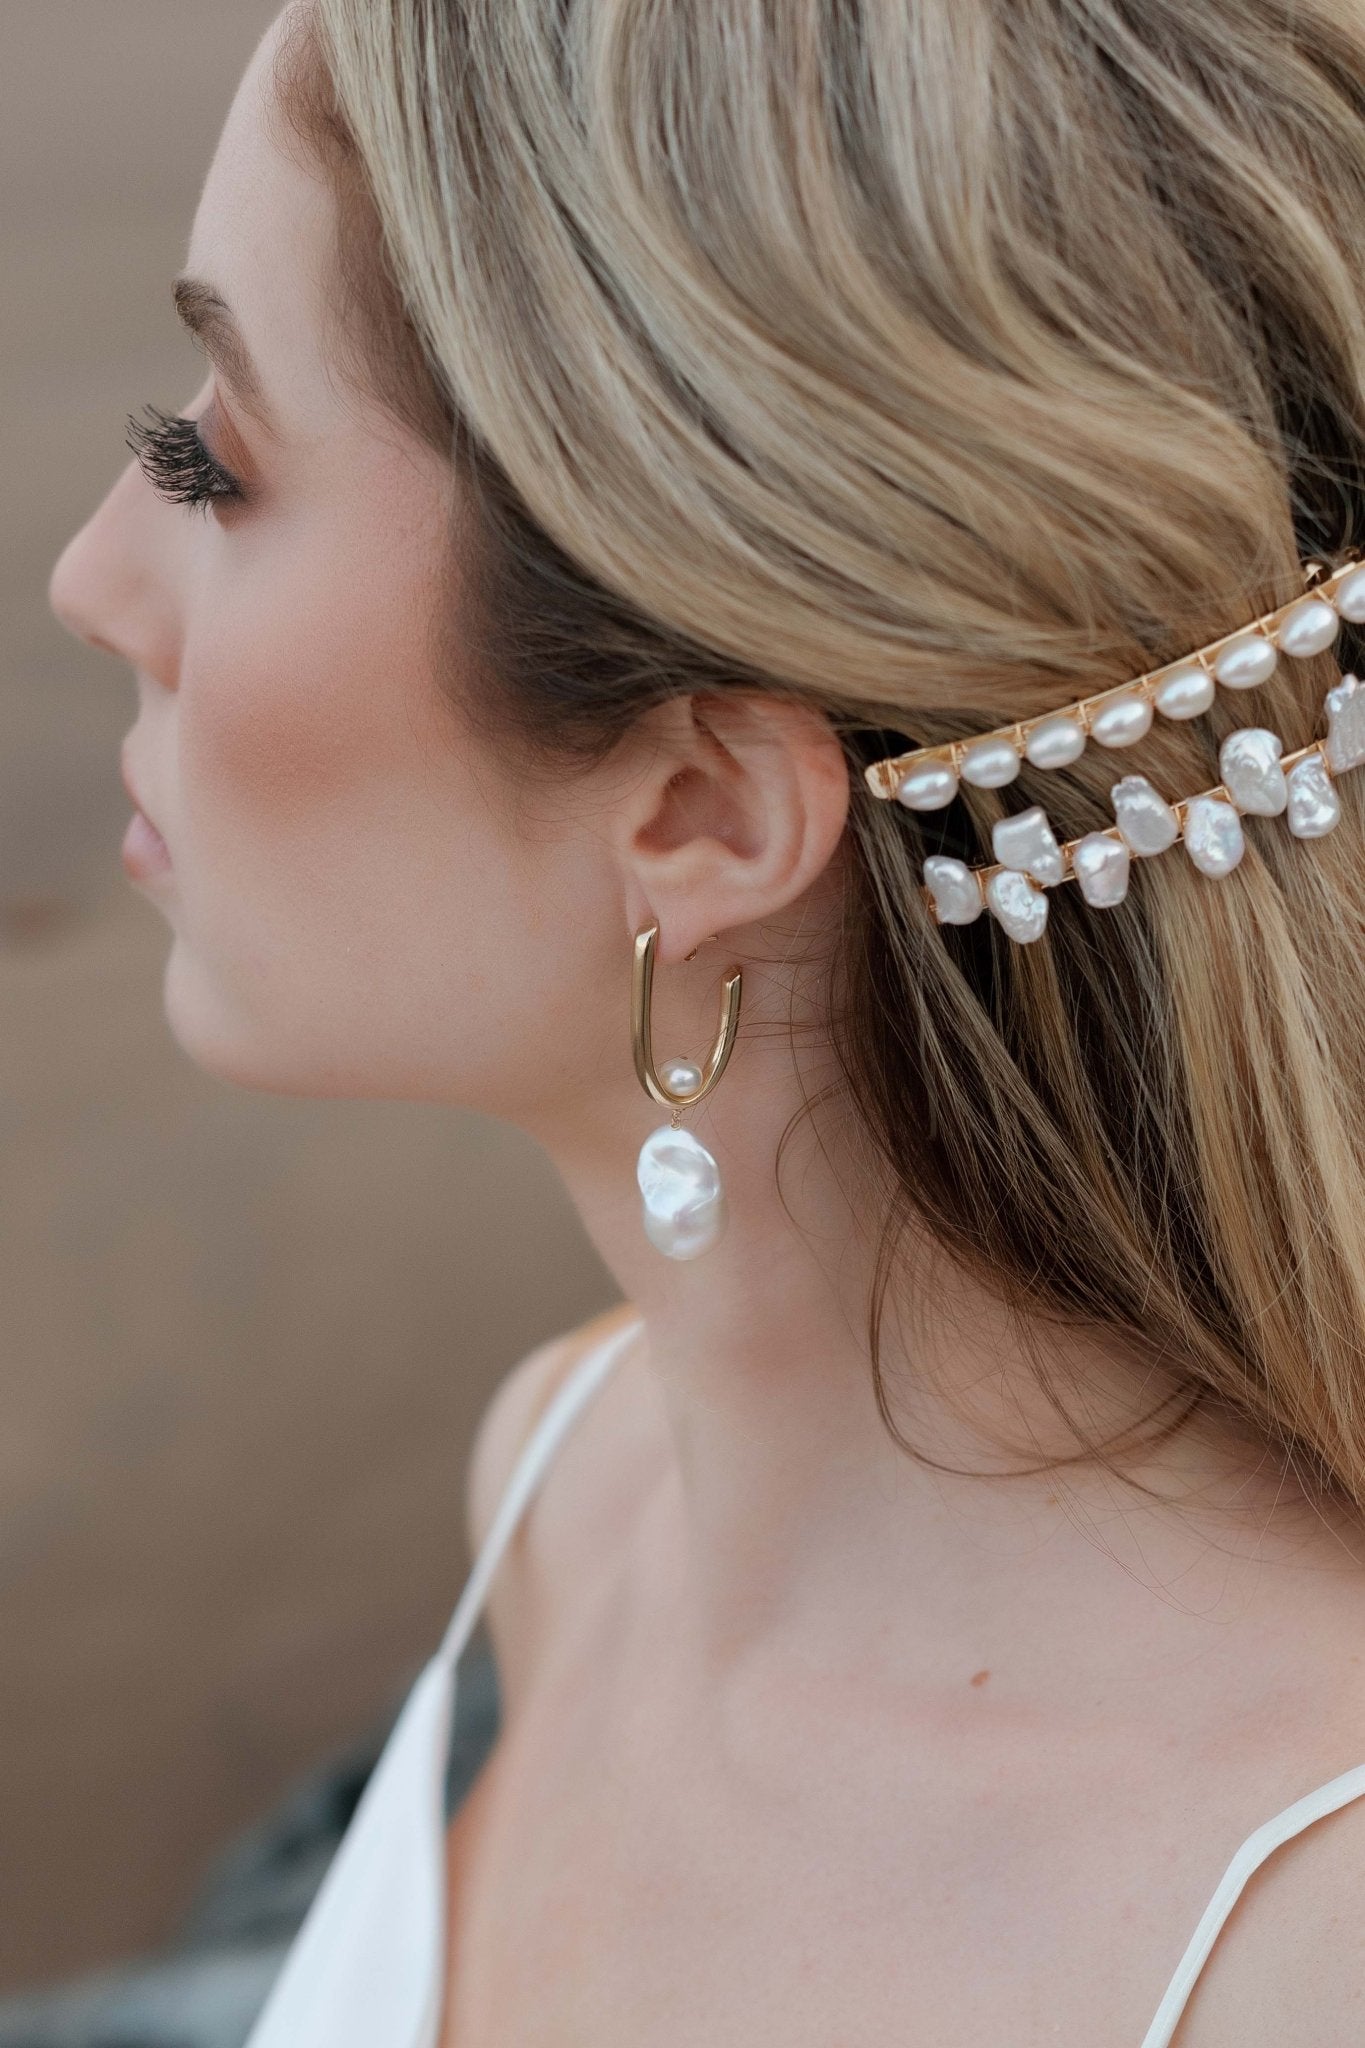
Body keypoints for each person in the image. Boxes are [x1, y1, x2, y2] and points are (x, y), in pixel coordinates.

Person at [45, 0, 1365, 2040]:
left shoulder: (1298, 1941)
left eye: (207, 461)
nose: (91, 582)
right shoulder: (567, 1486)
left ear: (698, 808)